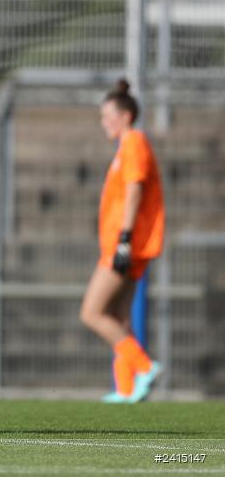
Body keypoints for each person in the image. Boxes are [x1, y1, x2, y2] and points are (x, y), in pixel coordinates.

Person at [79, 79, 165, 403]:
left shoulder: (133, 143)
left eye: (107, 116)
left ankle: (143, 366)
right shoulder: (125, 146)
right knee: (117, 315)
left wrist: (124, 239)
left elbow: (134, 191)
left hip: (124, 244)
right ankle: (127, 389)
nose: (104, 123)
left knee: (91, 312)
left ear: (125, 116)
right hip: (122, 243)